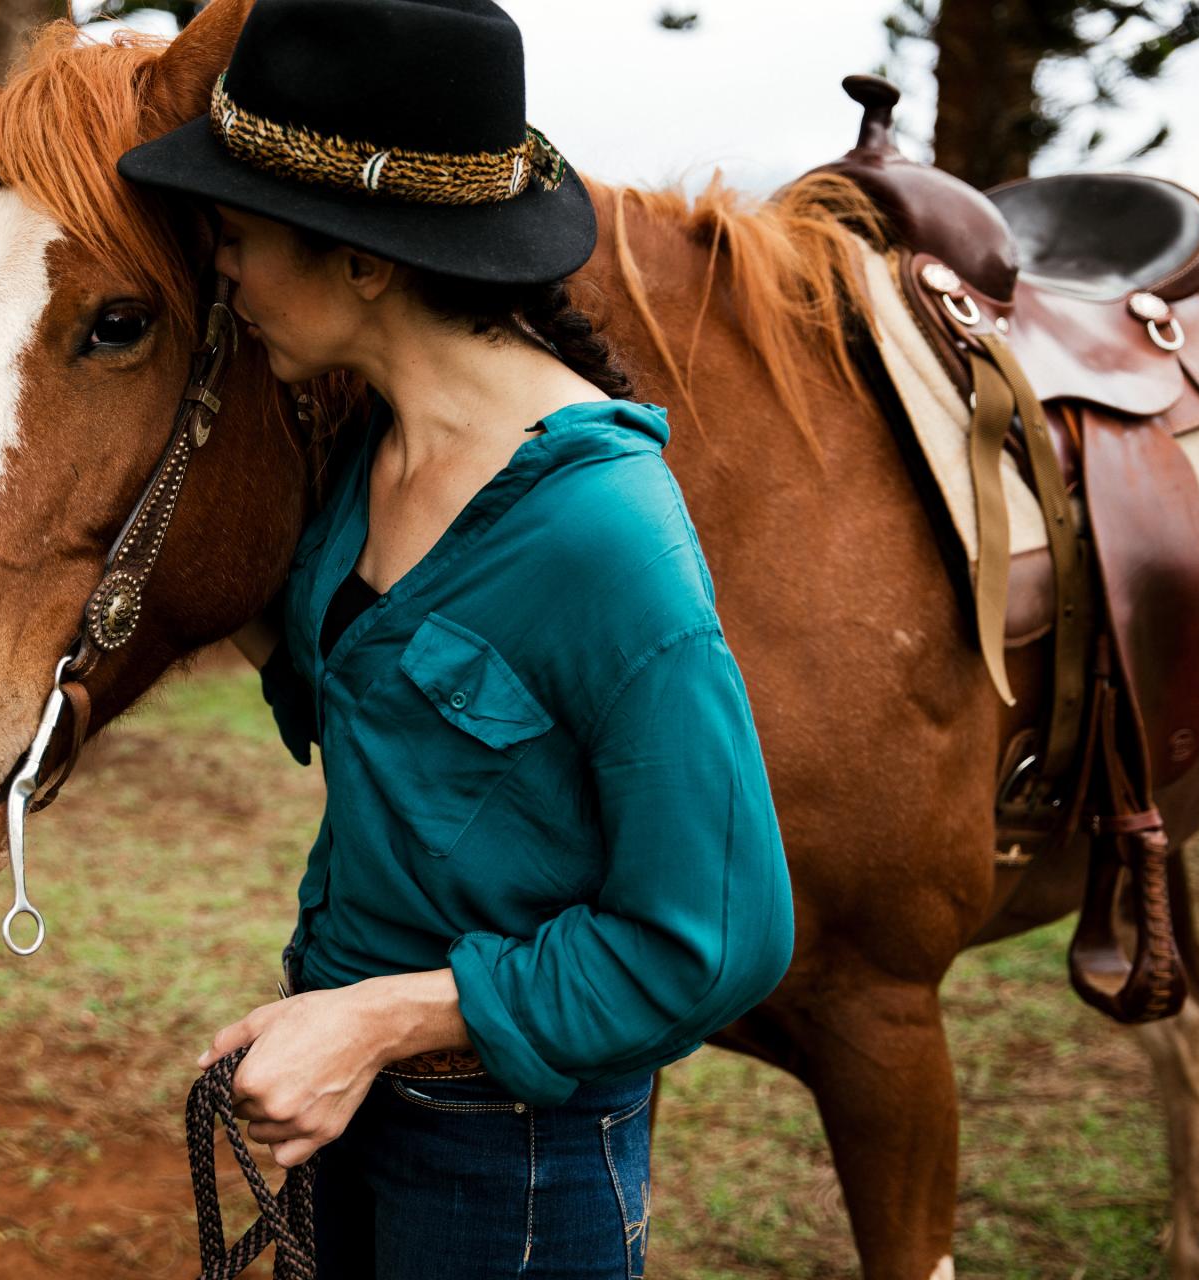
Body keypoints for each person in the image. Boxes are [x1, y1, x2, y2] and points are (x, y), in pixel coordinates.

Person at [118, 1, 796, 1274]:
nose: (222, 272)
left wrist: (380, 1020)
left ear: (363, 258)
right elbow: (368, 697)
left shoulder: (603, 533)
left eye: (241, 239)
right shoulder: (374, 451)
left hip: (514, 1157)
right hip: (349, 1104)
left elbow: (717, 935)